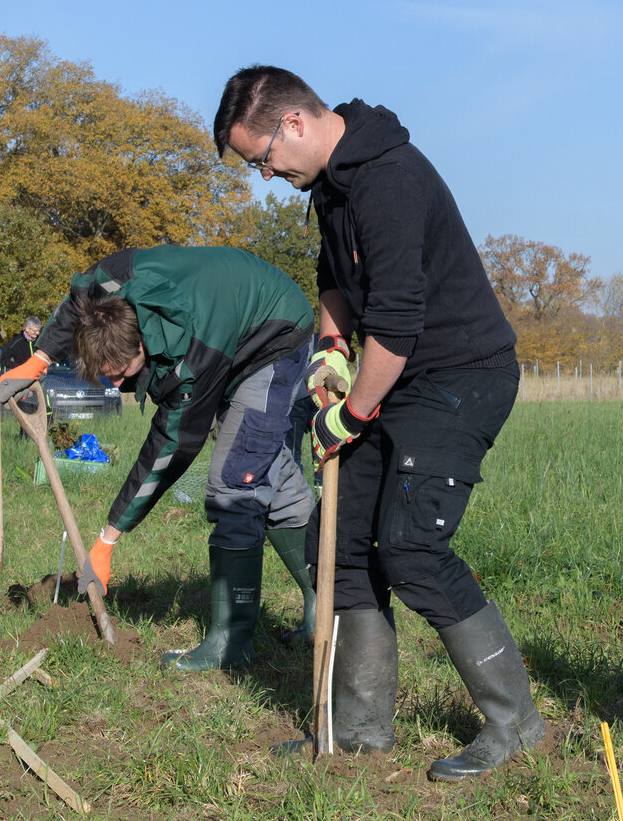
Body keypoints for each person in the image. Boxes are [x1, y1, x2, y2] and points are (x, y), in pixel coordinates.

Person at [212, 67, 544, 781]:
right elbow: (334, 281)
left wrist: (351, 413)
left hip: (461, 376)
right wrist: (331, 354)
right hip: (394, 376)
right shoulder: (329, 187)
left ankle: (517, 724)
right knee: (348, 545)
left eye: (261, 158)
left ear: (293, 124)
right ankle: (359, 731)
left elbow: (395, 323)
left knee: (411, 547)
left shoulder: (388, 179)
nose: (265, 175)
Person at [0, 247, 319, 669]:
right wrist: (38, 358)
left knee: (235, 477)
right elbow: (79, 299)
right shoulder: (112, 283)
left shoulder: (194, 357)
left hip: (274, 334)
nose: (114, 384)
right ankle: (326, 598)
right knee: (265, 463)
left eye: (118, 373)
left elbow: (172, 444)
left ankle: (232, 641)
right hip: (233, 317)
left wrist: (107, 540)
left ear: (140, 344)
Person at [0, 318, 43, 414]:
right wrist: (19, 368)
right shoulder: (16, 342)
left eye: (39, 330)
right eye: (35, 331)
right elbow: (4, 360)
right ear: (27, 329)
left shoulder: (41, 341)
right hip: (23, 383)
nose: (37, 333)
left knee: (45, 412)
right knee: (26, 413)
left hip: (40, 381)